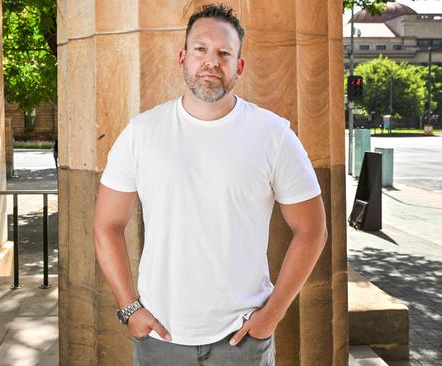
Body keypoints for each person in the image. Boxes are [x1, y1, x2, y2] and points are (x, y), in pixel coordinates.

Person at [93, 4, 327, 365]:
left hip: (243, 340)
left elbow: (312, 230)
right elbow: (106, 225)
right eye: (201, 50)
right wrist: (129, 308)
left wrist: (272, 316)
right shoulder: (142, 132)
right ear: (183, 58)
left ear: (239, 65)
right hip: (160, 338)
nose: (211, 62)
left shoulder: (273, 135)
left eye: (224, 53)